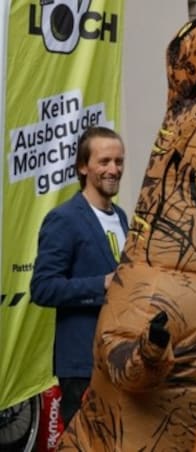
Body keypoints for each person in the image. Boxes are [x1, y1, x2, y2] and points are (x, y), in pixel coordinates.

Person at [30, 126, 128, 426]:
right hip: (82, 364)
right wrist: (102, 284)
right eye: (104, 161)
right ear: (83, 167)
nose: (114, 169)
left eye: (119, 161)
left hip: (120, 360)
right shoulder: (64, 218)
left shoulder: (122, 217)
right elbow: (43, 288)